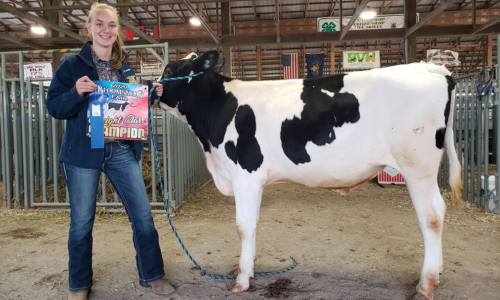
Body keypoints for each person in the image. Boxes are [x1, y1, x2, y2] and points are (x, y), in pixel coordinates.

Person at [46, 3, 174, 300]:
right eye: (100, 24)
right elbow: (54, 106)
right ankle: (79, 285)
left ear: (119, 31)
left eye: (112, 25)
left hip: (119, 151)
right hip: (82, 154)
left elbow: (130, 106)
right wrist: (75, 93)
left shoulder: (125, 68)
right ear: (88, 28)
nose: (106, 30)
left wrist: (150, 94)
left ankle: (152, 275)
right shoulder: (71, 66)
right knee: (81, 222)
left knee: (143, 215)